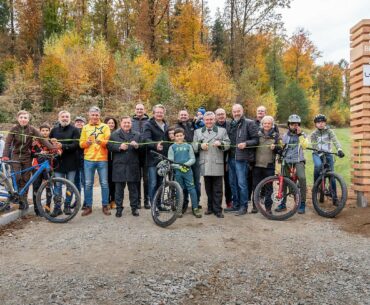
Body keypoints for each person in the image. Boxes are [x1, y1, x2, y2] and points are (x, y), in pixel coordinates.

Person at [2, 110, 55, 210]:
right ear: (18, 119)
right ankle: (18, 196)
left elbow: (42, 139)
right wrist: (5, 155)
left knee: (26, 179)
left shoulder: (32, 129)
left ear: (28, 119)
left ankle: (23, 200)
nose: (23, 119)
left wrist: (52, 148)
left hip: (27, 156)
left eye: (25, 118)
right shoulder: (14, 129)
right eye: (21, 117)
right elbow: (8, 143)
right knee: (17, 177)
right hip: (15, 156)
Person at [193, 111, 230, 218]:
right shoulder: (198, 132)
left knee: (218, 188)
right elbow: (193, 145)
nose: (209, 121)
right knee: (208, 188)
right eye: (207, 120)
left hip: (217, 162)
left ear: (214, 120)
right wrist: (200, 146)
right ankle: (209, 207)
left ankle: (218, 209)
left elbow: (228, 144)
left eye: (211, 119)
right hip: (205, 163)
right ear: (204, 121)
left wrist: (221, 144)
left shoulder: (222, 131)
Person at [225, 104, 259, 216]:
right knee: (232, 183)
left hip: (242, 159)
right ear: (232, 112)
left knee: (242, 184)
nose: (236, 113)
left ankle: (243, 206)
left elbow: (256, 140)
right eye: (234, 111)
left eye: (238, 111)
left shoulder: (249, 123)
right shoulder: (230, 124)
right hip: (231, 158)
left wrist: (246, 143)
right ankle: (235, 205)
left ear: (242, 111)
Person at [79, 106, 111, 216]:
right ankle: (88, 206)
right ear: (89, 115)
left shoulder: (105, 127)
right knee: (88, 184)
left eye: (97, 115)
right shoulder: (85, 127)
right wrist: (86, 143)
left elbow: (108, 141)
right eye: (93, 115)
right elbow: (81, 143)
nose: (95, 117)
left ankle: (105, 205)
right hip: (89, 159)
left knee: (104, 183)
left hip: (102, 158)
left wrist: (100, 141)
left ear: (99, 115)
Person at [107, 116, 141, 218]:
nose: (127, 124)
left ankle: (134, 208)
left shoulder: (137, 135)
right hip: (119, 166)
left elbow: (143, 148)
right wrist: (119, 147)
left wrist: (137, 146)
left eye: (128, 123)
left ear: (131, 124)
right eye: (125, 123)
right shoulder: (114, 134)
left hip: (132, 165)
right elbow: (109, 146)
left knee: (133, 189)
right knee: (119, 190)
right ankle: (119, 209)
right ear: (121, 124)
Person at [49, 110, 80, 217]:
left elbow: (77, 144)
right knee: (57, 186)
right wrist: (52, 144)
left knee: (70, 186)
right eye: (63, 116)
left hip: (71, 162)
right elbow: (49, 143)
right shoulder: (54, 130)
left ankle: (67, 205)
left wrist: (63, 146)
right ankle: (57, 207)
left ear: (70, 118)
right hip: (58, 162)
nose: (65, 118)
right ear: (59, 118)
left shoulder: (75, 130)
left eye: (67, 116)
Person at [310, 114, 345, 204]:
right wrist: (319, 152)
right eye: (318, 122)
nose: (321, 124)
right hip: (317, 153)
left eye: (322, 122)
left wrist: (339, 149)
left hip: (328, 153)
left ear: (325, 123)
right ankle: (316, 186)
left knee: (332, 177)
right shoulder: (314, 134)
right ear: (315, 124)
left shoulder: (329, 131)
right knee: (318, 166)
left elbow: (335, 140)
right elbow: (314, 145)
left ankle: (335, 198)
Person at [168, 128, 202, 218]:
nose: (179, 137)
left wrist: (185, 165)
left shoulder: (188, 146)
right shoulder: (172, 147)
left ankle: (195, 208)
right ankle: (179, 209)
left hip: (188, 171)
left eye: (180, 135)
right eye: (177, 136)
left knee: (192, 189)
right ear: (174, 137)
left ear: (184, 136)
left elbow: (193, 159)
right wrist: (179, 167)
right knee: (180, 189)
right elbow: (170, 161)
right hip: (178, 173)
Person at [278, 114, 308, 214]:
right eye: (292, 124)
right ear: (289, 125)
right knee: (284, 180)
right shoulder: (286, 135)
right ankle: (282, 203)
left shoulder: (303, 134)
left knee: (302, 178)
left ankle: (302, 203)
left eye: (296, 124)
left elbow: (304, 146)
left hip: (298, 160)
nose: (294, 126)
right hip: (287, 160)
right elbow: (282, 147)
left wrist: (299, 135)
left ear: (299, 125)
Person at [253, 116, 282, 214]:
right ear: (262, 124)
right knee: (256, 186)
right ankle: (255, 206)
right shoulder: (257, 134)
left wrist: (276, 148)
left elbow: (281, 150)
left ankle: (268, 208)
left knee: (269, 187)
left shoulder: (276, 135)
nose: (266, 125)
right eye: (265, 123)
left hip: (269, 165)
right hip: (257, 164)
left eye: (269, 123)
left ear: (272, 124)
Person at [142, 104, 169, 205]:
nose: (159, 114)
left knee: (161, 183)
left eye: (161, 112)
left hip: (164, 159)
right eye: (157, 112)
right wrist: (155, 145)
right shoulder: (148, 124)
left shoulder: (166, 125)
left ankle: (159, 204)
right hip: (152, 159)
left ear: (164, 113)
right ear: (153, 113)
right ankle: (154, 205)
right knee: (153, 183)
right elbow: (146, 139)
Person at [175, 109, 201, 209]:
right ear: (178, 116)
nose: (183, 116)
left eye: (185, 115)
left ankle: (196, 203)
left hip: (195, 156)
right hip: (182, 158)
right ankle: (184, 203)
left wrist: (197, 120)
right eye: (181, 115)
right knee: (183, 182)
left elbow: (201, 129)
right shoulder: (176, 127)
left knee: (196, 181)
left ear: (188, 116)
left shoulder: (192, 125)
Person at [31, 123, 58, 216]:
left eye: (47, 130)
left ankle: (47, 208)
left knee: (49, 188)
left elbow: (58, 153)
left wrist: (55, 145)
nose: (45, 132)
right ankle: (37, 210)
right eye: (43, 130)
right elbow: (31, 154)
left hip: (48, 168)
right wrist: (39, 152)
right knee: (36, 188)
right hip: (37, 168)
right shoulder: (35, 142)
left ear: (49, 131)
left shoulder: (51, 141)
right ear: (39, 131)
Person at [131, 103, 150, 209]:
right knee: (136, 179)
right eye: (137, 109)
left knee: (147, 179)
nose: (139, 111)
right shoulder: (131, 121)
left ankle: (147, 200)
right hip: (135, 154)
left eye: (141, 109)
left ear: (144, 110)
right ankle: (137, 201)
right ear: (135, 110)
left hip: (146, 154)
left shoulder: (149, 121)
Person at [215, 108, 232, 208]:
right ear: (216, 116)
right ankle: (217, 204)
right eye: (219, 114)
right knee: (217, 182)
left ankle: (229, 202)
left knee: (228, 181)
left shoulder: (231, 124)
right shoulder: (212, 126)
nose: (221, 116)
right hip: (216, 156)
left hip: (228, 156)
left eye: (222, 114)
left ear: (225, 115)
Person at [104, 117, 118, 210]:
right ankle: (107, 201)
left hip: (116, 160)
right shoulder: (103, 134)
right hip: (105, 160)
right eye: (109, 123)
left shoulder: (117, 134)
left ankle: (114, 200)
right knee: (107, 181)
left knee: (115, 181)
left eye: (112, 123)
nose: (111, 124)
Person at [74, 116, 86, 209]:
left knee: (85, 181)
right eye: (77, 122)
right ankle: (77, 200)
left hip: (85, 159)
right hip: (74, 160)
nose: (79, 123)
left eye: (81, 122)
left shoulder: (86, 132)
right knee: (76, 181)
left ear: (84, 123)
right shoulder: (73, 132)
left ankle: (86, 201)